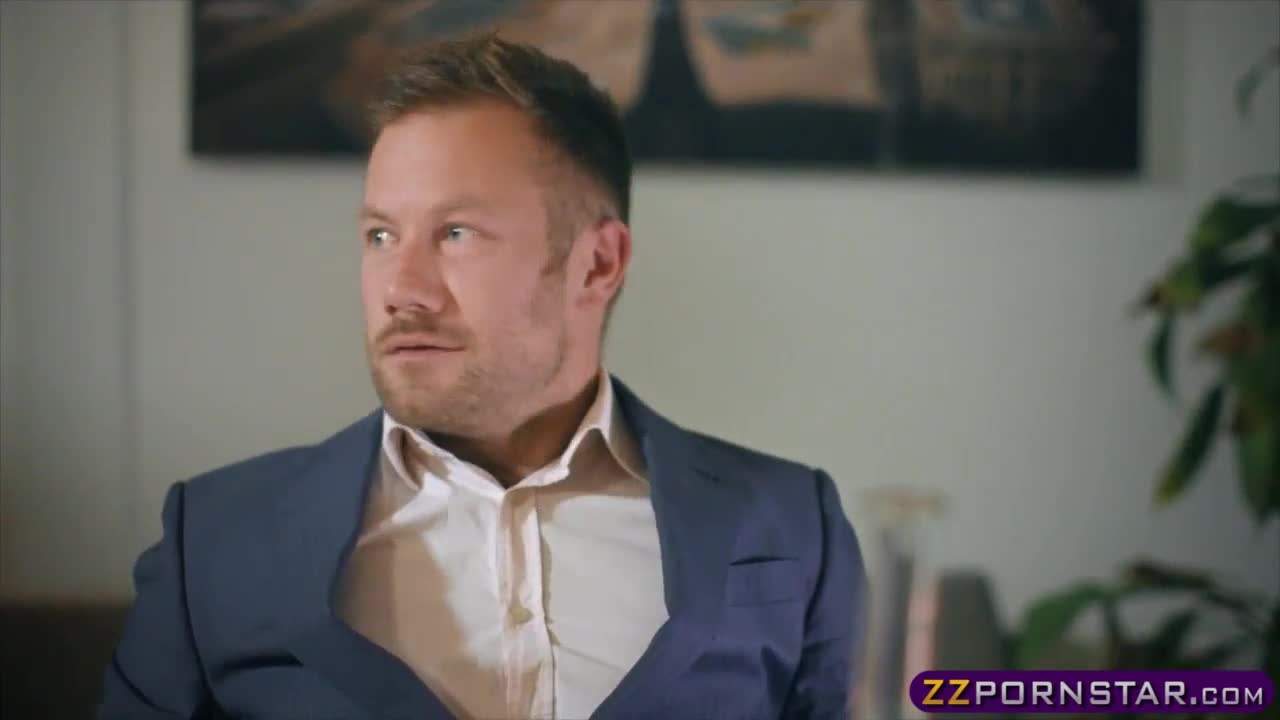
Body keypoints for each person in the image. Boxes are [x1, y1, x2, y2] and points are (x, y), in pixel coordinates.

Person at [98, 33, 867, 720]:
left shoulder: (793, 525)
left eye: (456, 233)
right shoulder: (217, 540)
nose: (401, 288)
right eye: (380, 235)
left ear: (597, 264)